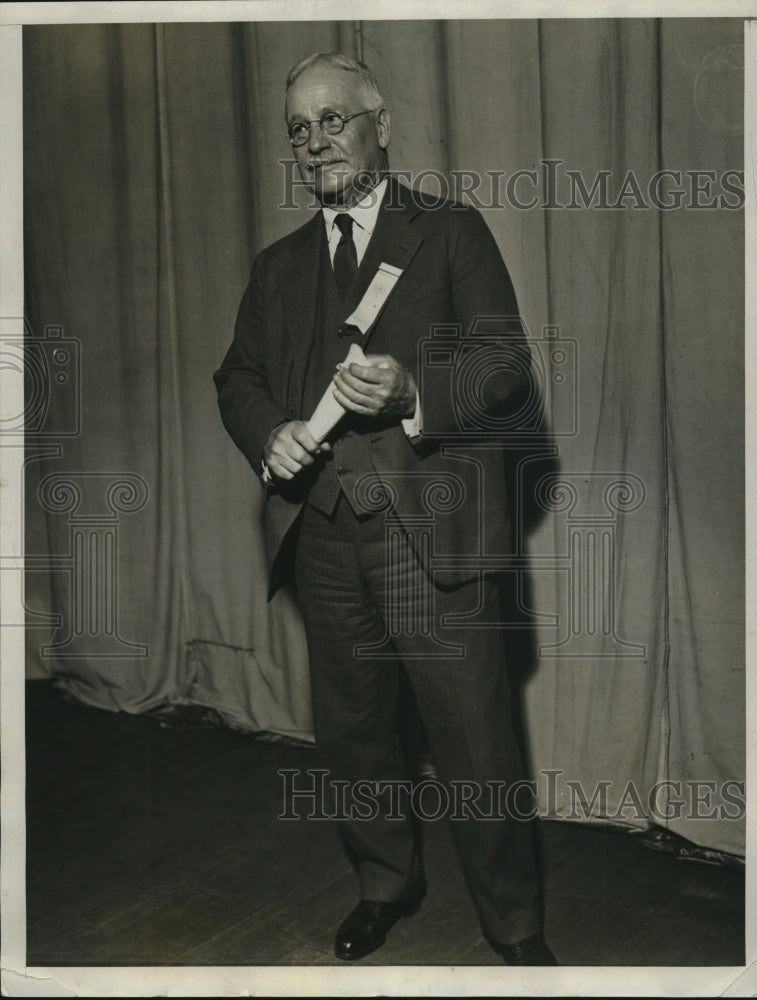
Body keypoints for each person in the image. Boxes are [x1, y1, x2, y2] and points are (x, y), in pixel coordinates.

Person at [214, 51, 556, 966]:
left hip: (431, 533)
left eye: (332, 119)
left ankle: (515, 927)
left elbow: (504, 369)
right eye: (298, 128)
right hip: (321, 534)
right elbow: (237, 377)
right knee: (356, 729)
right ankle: (384, 881)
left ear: (381, 126)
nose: (314, 140)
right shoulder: (278, 265)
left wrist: (411, 391)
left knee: (475, 743)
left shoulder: (448, 233)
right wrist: (270, 434)